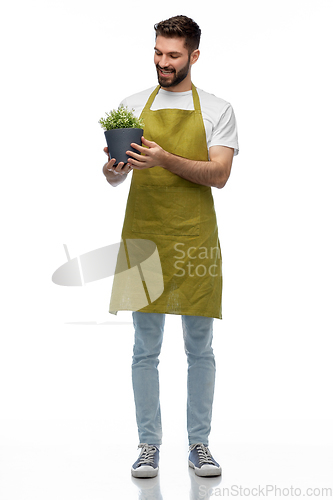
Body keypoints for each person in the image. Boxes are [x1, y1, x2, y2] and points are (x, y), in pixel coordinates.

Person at [102, 15, 239, 478]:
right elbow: (113, 175)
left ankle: (199, 444)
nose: (163, 62)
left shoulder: (219, 109)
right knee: (145, 347)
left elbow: (218, 175)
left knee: (200, 346)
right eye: (158, 52)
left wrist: (164, 158)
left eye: (173, 55)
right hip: (144, 235)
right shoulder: (132, 105)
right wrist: (115, 169)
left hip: (194, 237)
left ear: (194, 56)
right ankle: (148, 445)